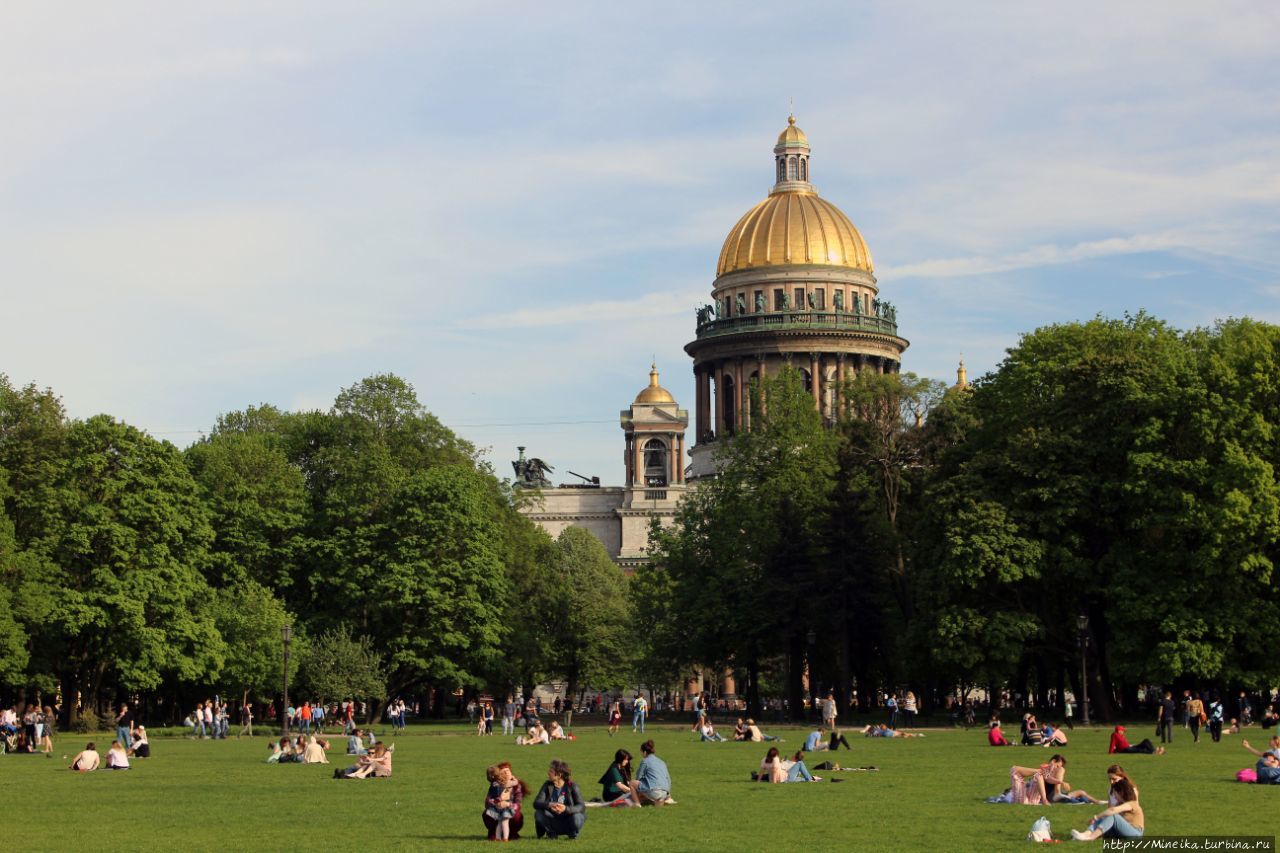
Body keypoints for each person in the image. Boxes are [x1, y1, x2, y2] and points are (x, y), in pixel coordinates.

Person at [1071, 768, 1145, 840]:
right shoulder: (1119, 803)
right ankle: (1085, 834)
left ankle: (1090, 838)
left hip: (1135, 834)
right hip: (1123, 832)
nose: (1115, 797)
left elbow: (1112, 810)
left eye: (1116, 794)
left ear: (1121, 793)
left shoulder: (1132, 803)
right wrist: (1100, 818)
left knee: (1113, 816)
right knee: (1103, 819)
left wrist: (1096, 817)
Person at [533, 759, 586, 839]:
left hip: (568, 819)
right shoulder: (547, 785)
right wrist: (549, 805)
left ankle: (572, 832)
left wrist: (565, 809)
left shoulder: (572, 786)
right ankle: (551, 833)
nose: (548, 773)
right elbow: (536, 803)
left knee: (577, 817)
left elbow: (581, 806)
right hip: (553, 819)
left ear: (559, 775)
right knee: (539, 813)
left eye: (551, 771)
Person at [483, 762, 528, 840]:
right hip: (498, 809)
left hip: (508, 809)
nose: (506, 773)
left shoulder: (515, 787)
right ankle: (498, 836)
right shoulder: (499, 784)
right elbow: (487, 801)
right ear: (499, 775)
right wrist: (496, 803)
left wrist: (507, 804)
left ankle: (510, 834)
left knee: (515, 815)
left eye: (508, 770)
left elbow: (518, 803)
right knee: (488, 814)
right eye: (503, 772)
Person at [629, 739, 674, 805]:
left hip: (654, 791)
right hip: (665, 792)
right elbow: (669, 780)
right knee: (657, 802)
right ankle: (663, 800)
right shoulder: (662, 762)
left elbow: (638, 777)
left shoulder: (645, 761)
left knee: (632, 783)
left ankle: (637, 804)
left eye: (641, 752)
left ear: (644, 752)